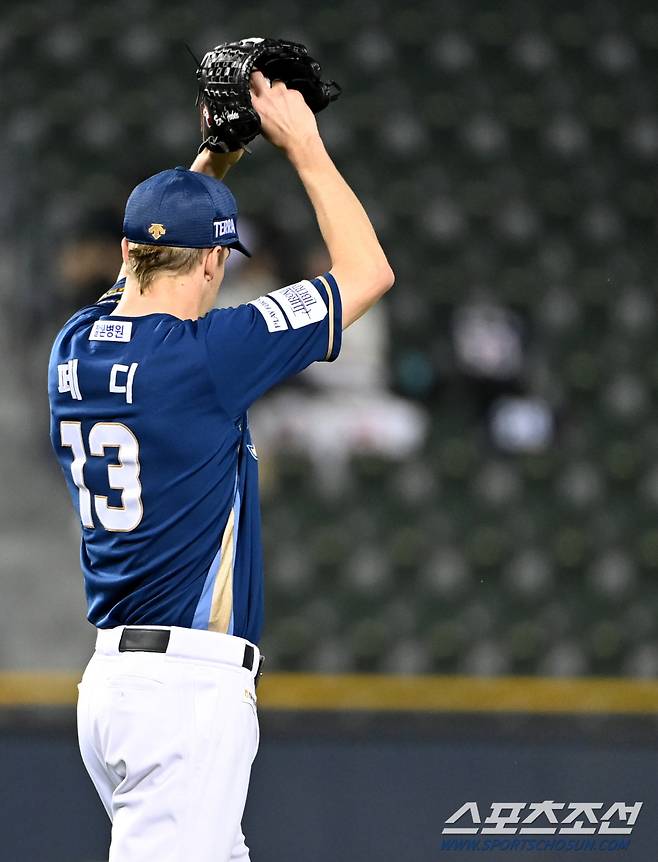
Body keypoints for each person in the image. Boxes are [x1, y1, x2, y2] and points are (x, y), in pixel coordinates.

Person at [48, 71, 394, 862]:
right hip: (182, 692)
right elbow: (368, 271)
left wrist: (218, 153)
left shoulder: (74, 345)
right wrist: (301, 145)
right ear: (213, 265)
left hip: (114, 684)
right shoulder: (209, 357)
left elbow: (147, 263)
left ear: (131, 251)